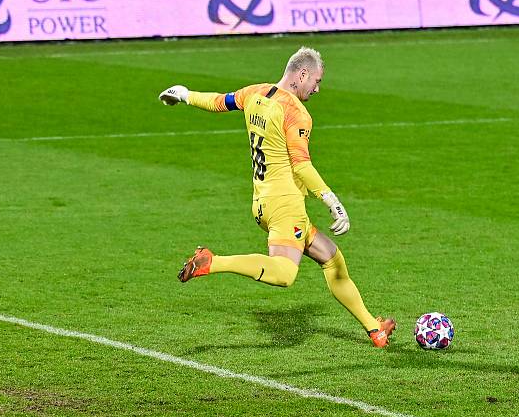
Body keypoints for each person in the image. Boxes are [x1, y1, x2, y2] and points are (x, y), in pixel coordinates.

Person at [158, 47, 396, 347]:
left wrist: (183, 94)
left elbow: (218, 101)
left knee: (333, 260)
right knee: (284, 274)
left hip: (262, 203)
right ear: (303, 74)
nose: (318, 88)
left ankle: (374, 329)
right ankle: (211, 262)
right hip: (286, 206)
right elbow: (302, 165)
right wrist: (332, 201)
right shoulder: (296, 112)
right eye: (317, 81)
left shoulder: (254, 94)